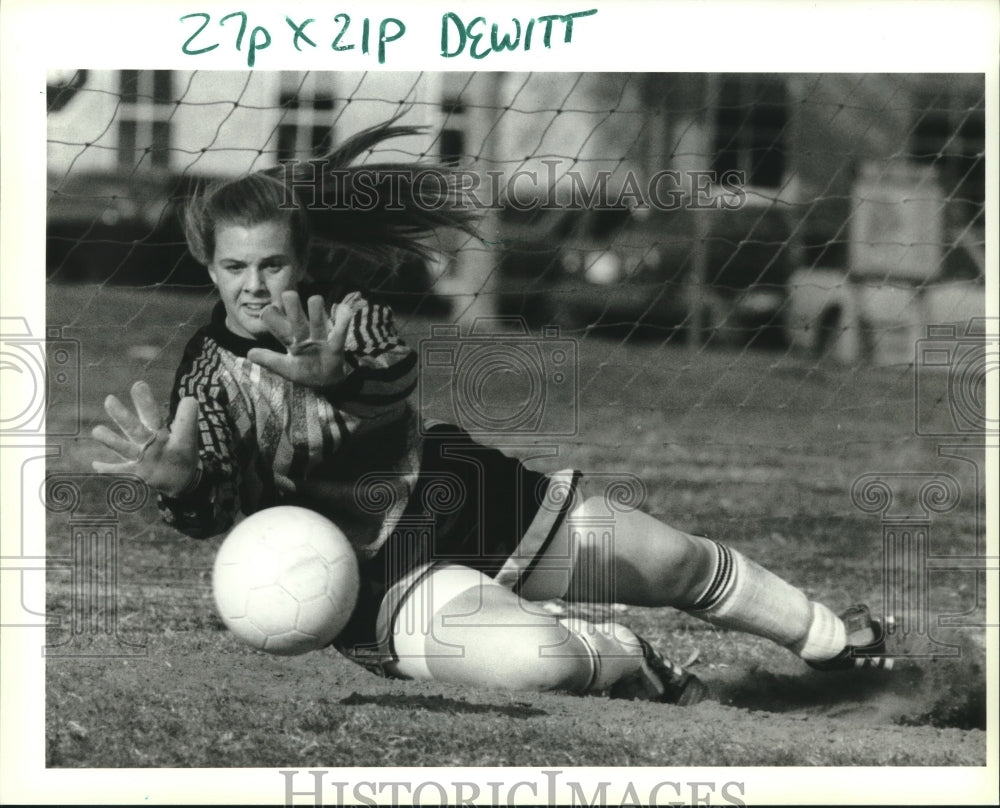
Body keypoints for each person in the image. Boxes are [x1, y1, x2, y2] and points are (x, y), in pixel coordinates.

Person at [91, 117, 891, 705]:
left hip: (460, 493)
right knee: (544, 665)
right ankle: (632, 662)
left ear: (303, 257)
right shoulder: (206, 374)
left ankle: (835, 639)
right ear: (210, 264)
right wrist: (180, 479)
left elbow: (392, 388)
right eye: (236, 266)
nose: (256, 284)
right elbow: (217, 503)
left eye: (273, 262)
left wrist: (336, 383)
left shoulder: (351, 316)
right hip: (374, 583)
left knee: (675, 563)